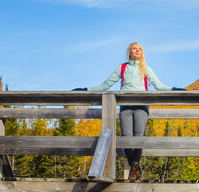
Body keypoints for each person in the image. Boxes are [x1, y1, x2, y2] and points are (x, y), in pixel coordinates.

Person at [73, 42, 184, 180]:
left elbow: (159, 86)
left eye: (140, 49)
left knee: (137, 139)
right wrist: (86, 90)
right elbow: (105, 85)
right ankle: (135, 169)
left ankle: (133, 170)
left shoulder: (145, 68)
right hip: (125, 107)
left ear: (142, 53)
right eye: (134, 49)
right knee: (126, 139)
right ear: (129, 53)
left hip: (141, 107)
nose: (137, 51)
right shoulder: (122, 68)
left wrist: (175, 89)